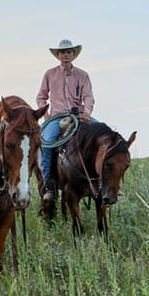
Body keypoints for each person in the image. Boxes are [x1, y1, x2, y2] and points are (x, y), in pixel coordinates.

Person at [35, 39, 96, 202]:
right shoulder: (50, 74)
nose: (65, 55)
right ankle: (49, 184)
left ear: (73, 54)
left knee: (103, 135)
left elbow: (88, 96)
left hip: (79, 115)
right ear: (58, 55)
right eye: (62, 52)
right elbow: (41, 96)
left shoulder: (82, 75)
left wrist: (87, 112)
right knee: (46, 142)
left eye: (69, 52)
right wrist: (46, 115)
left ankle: (99, 182)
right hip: (57, 116)